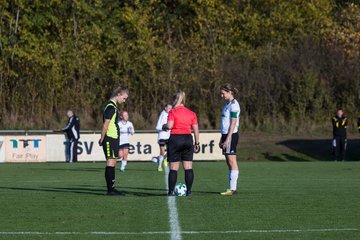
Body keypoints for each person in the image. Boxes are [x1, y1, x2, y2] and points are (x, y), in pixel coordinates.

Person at [166, 91, 200, 196]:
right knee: (188, 167)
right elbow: (195, 129)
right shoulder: (191, 113)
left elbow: (170, 126)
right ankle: (189, 191)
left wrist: (164, 126)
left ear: (176, 100)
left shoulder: (172, 112)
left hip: (175, 139)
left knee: (174, 167)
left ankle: (171, 191)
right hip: (187, 139)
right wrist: (197, 143)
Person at [99, 86, 129, 195]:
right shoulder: (110, 107)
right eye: (124, 98)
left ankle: (112, 188)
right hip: (109, 138)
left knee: (113, 162)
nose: (124, 101)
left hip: (114, 138)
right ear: (119, 94)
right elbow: (105, 124)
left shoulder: (114, 106)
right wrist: (102, 138)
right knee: (110, 162)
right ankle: (110, 190)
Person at [219, 83, 240, 196]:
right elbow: (224, 123)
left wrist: (227, 139)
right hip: (225, 135)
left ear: (230, 92)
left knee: (232, 161)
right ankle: (232, 188)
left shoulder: (234, 105)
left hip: (230, 135)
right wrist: (221, 138)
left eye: (223, 93)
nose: (221, 95)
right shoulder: (227, 104)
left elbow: (233, 123)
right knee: (229, 161)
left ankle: (232, 189)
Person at [154, 103, 172, 172]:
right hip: (162, 136)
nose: (170, 109)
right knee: (162, 151)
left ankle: (165, 159)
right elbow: (157, 127)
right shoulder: (162, 115)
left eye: (171, 108)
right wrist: (164, 128)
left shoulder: (170, 115)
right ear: (165, 108)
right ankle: (159, 166)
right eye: (169, 108)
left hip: (169, 136)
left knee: (170, 150)